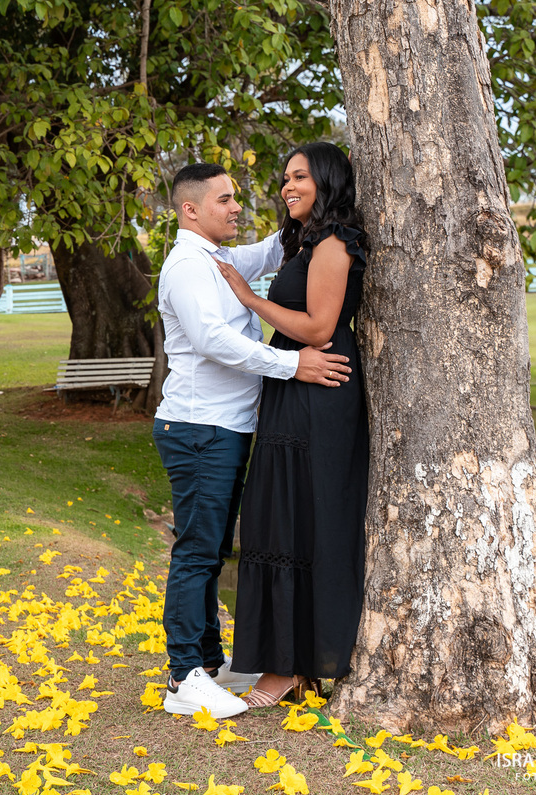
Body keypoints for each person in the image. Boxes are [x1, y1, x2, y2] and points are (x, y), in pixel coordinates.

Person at [154, 162, 353, 719]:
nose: (236, 206)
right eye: (224, 200)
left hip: (226, 427)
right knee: (197, 551)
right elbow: (213, 340)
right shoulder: (189, 267)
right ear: (190, 210)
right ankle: (183, 676)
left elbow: (268, 253)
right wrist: (293, 364)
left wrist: (310, 206)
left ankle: (206, 664)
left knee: (213, 548)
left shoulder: (216, 258)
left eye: (235, 198)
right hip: (199, 429)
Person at [214, 142, 370, 707]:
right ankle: (287, 662)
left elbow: (319, 326)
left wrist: (248, 298)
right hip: (292, 389)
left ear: (325, 181)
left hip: (320, 391)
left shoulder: (333, 244)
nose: (287, 186)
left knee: (304, 521)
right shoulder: (301, 242)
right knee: (279, 520)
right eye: (284, 178)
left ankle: (293, 666)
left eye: (299, 176)